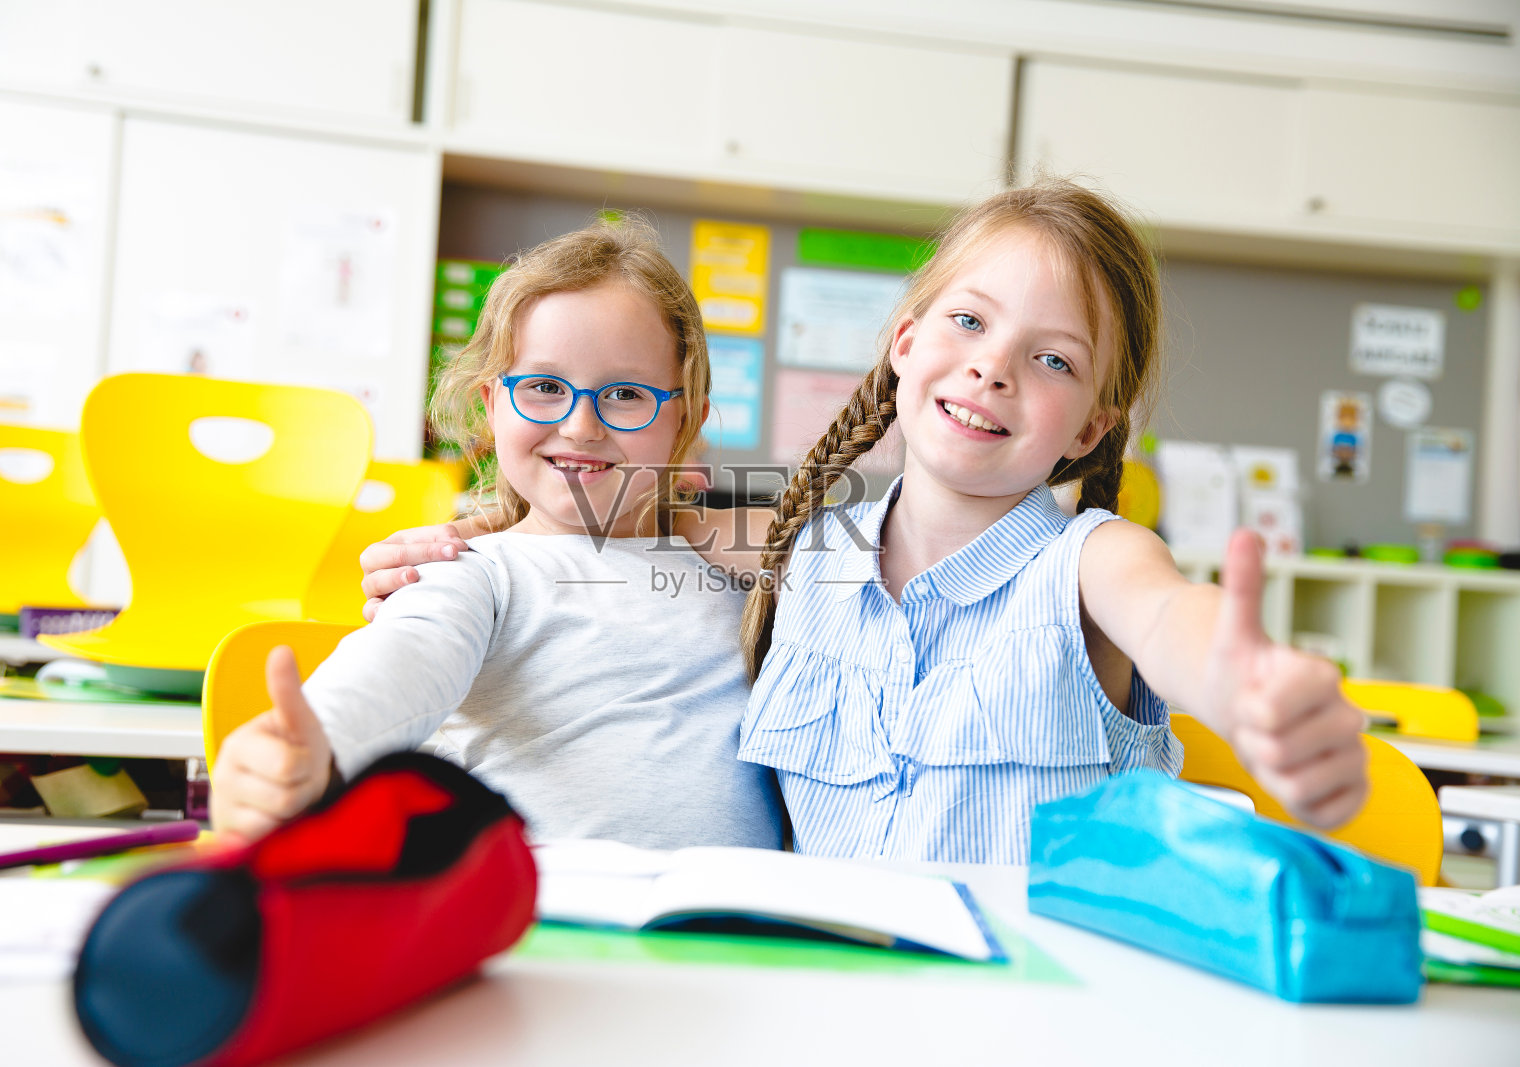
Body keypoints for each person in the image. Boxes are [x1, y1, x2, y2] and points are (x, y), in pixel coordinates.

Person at [361, 181, 1368, 864]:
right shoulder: (800, 545)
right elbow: (614, 506)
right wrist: (471, 535)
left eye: (1053, 358)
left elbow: (1171, 615)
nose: (993, 366)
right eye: (969, 320)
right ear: (905, 342)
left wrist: (1241, 681)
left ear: (1091, 427)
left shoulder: (1094, 561)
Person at [210, 219, 784, 851]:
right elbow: (404, 662)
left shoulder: (730, 568)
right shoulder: (474, 568)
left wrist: (694, 525)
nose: (581, 426)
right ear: (492, 404)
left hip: (734, 909)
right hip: (552, 904)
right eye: (543, 387)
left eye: (625, 393)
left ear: (686, 417)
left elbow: (833, 553)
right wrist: (317, 741)